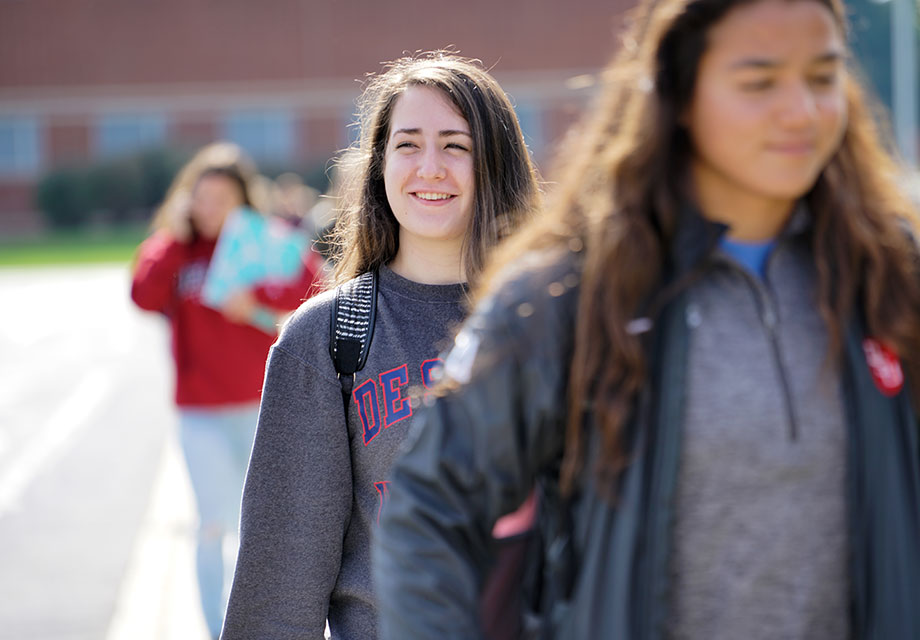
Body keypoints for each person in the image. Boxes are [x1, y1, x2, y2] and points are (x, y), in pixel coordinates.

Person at [374, 0, 920, 638]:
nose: (801, 109)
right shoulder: (572, 294)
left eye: (823, 77)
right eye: (759, 82)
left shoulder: (887, 279)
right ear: (680, 95)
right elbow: (428, 511)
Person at [219, 53, 541, 639]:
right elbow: (280, 582)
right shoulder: (328, 337)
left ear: (495, 162)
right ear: (380, 166)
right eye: (408, 145)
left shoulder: (553, 320)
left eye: (455, 146)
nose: (430, 168)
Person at [130, 141, 323, 640]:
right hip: (200, 412)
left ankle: (268, 622)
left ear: (243, 200)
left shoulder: (268, 242)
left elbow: (313, 296)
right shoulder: (177, 249)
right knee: (211, 523)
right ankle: (219, 630)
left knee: (265, 524)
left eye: (222, 197)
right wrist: (174, 236)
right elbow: (142, 294)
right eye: (202, 196)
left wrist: (256, 302)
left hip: (267, 407)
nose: (210, 207)